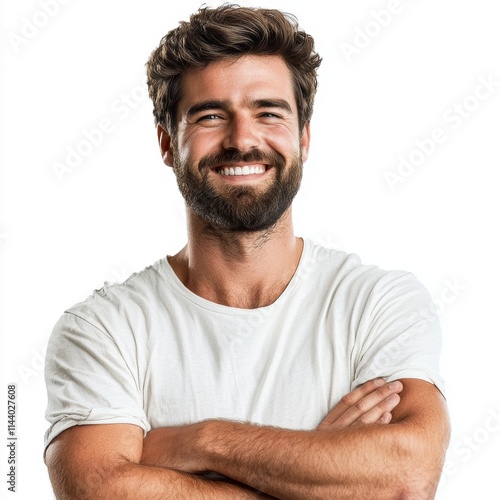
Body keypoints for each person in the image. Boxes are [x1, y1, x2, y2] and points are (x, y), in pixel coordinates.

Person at [44, 4, 450, 499]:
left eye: (268, 113)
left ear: (302, 137)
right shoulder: (103, 329)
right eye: (211, 115)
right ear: (168, 143)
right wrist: (324, 480)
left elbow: (406, 475)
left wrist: (204, 441)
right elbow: (101, 491)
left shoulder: (377, 303)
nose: (242, 139)